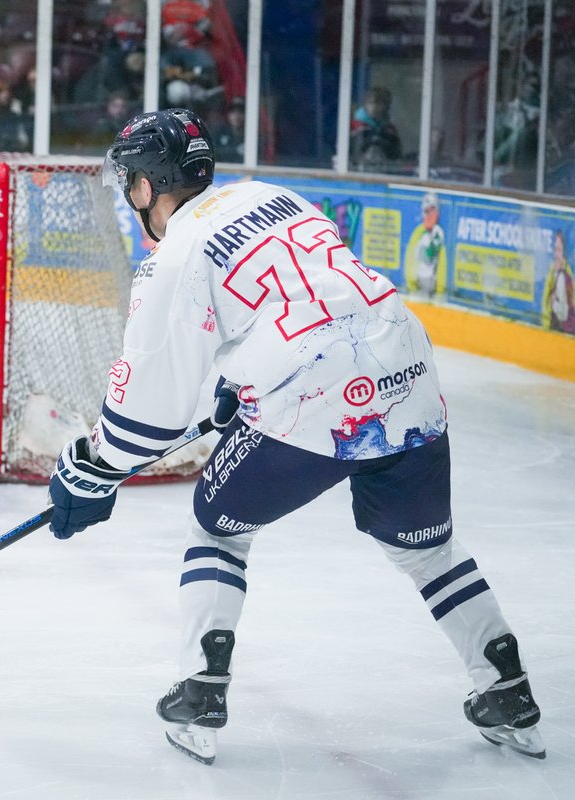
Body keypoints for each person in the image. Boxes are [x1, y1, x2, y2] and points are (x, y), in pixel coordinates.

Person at [47, 107, 545, 764]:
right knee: (430, 551)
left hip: (308, 395)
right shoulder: (268, 195)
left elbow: (147, 413)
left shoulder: (173, 258)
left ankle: (201, 688)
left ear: (144, 185)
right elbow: (315, 295)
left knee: (219, 526)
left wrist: (94, 466)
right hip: (408, 371)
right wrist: (241, 372)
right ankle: (507, 687)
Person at [403, 192, 447, 298]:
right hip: (417, 288)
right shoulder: (418, 233)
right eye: (426, 211)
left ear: (437, 214)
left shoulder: (438, 234)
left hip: (432, 290)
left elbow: (441, 263)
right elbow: (410, 258)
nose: (429, 216)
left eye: (432, 211)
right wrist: (411, 284)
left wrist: (440, 290)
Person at [351, 87, 402, 170]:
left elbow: (396, 155)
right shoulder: (355, 126)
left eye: (380, 103)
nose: (374, 107)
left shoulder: (390, 129)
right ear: (365, 104)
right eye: (370, 103)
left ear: (386, 106)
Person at [541, 229, 575, 334]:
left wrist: (554, 303)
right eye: (555, 250)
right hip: (553, 326)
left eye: (559, 250)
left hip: (566, 328)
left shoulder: (565, 275)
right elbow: (545, 300)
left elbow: (564, 312)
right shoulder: (552, 272)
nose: (556, 254)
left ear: (564, 252)